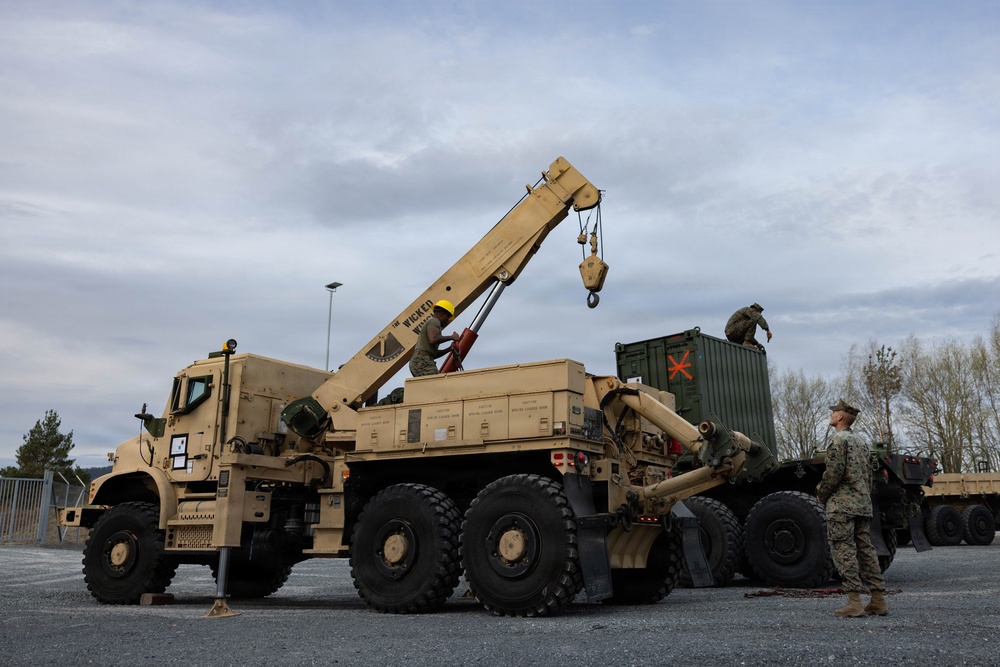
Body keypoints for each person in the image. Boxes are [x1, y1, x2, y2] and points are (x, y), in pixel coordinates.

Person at [815, 400, 888, 618]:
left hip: (842, 507)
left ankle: (854, 602)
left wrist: (821, 493)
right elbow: (868, 477)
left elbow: (834, 473)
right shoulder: (860, 442)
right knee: (865, 550)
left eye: (833, 412)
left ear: (839, 417)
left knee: (843, 550)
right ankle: (878, 600)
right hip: (862, 505)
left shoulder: (839, 440)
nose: (831, 415)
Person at [408, 299, 461, 377]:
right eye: (448, 318)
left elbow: (433, 354)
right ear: (442, 314)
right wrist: (452, 337)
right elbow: (433, 339)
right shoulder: (434, 321)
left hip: (421, 361)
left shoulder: (433, 324)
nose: (448, 321)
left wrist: (449, 349)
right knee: (436, 384)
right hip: (422, 361)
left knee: (432, 386)